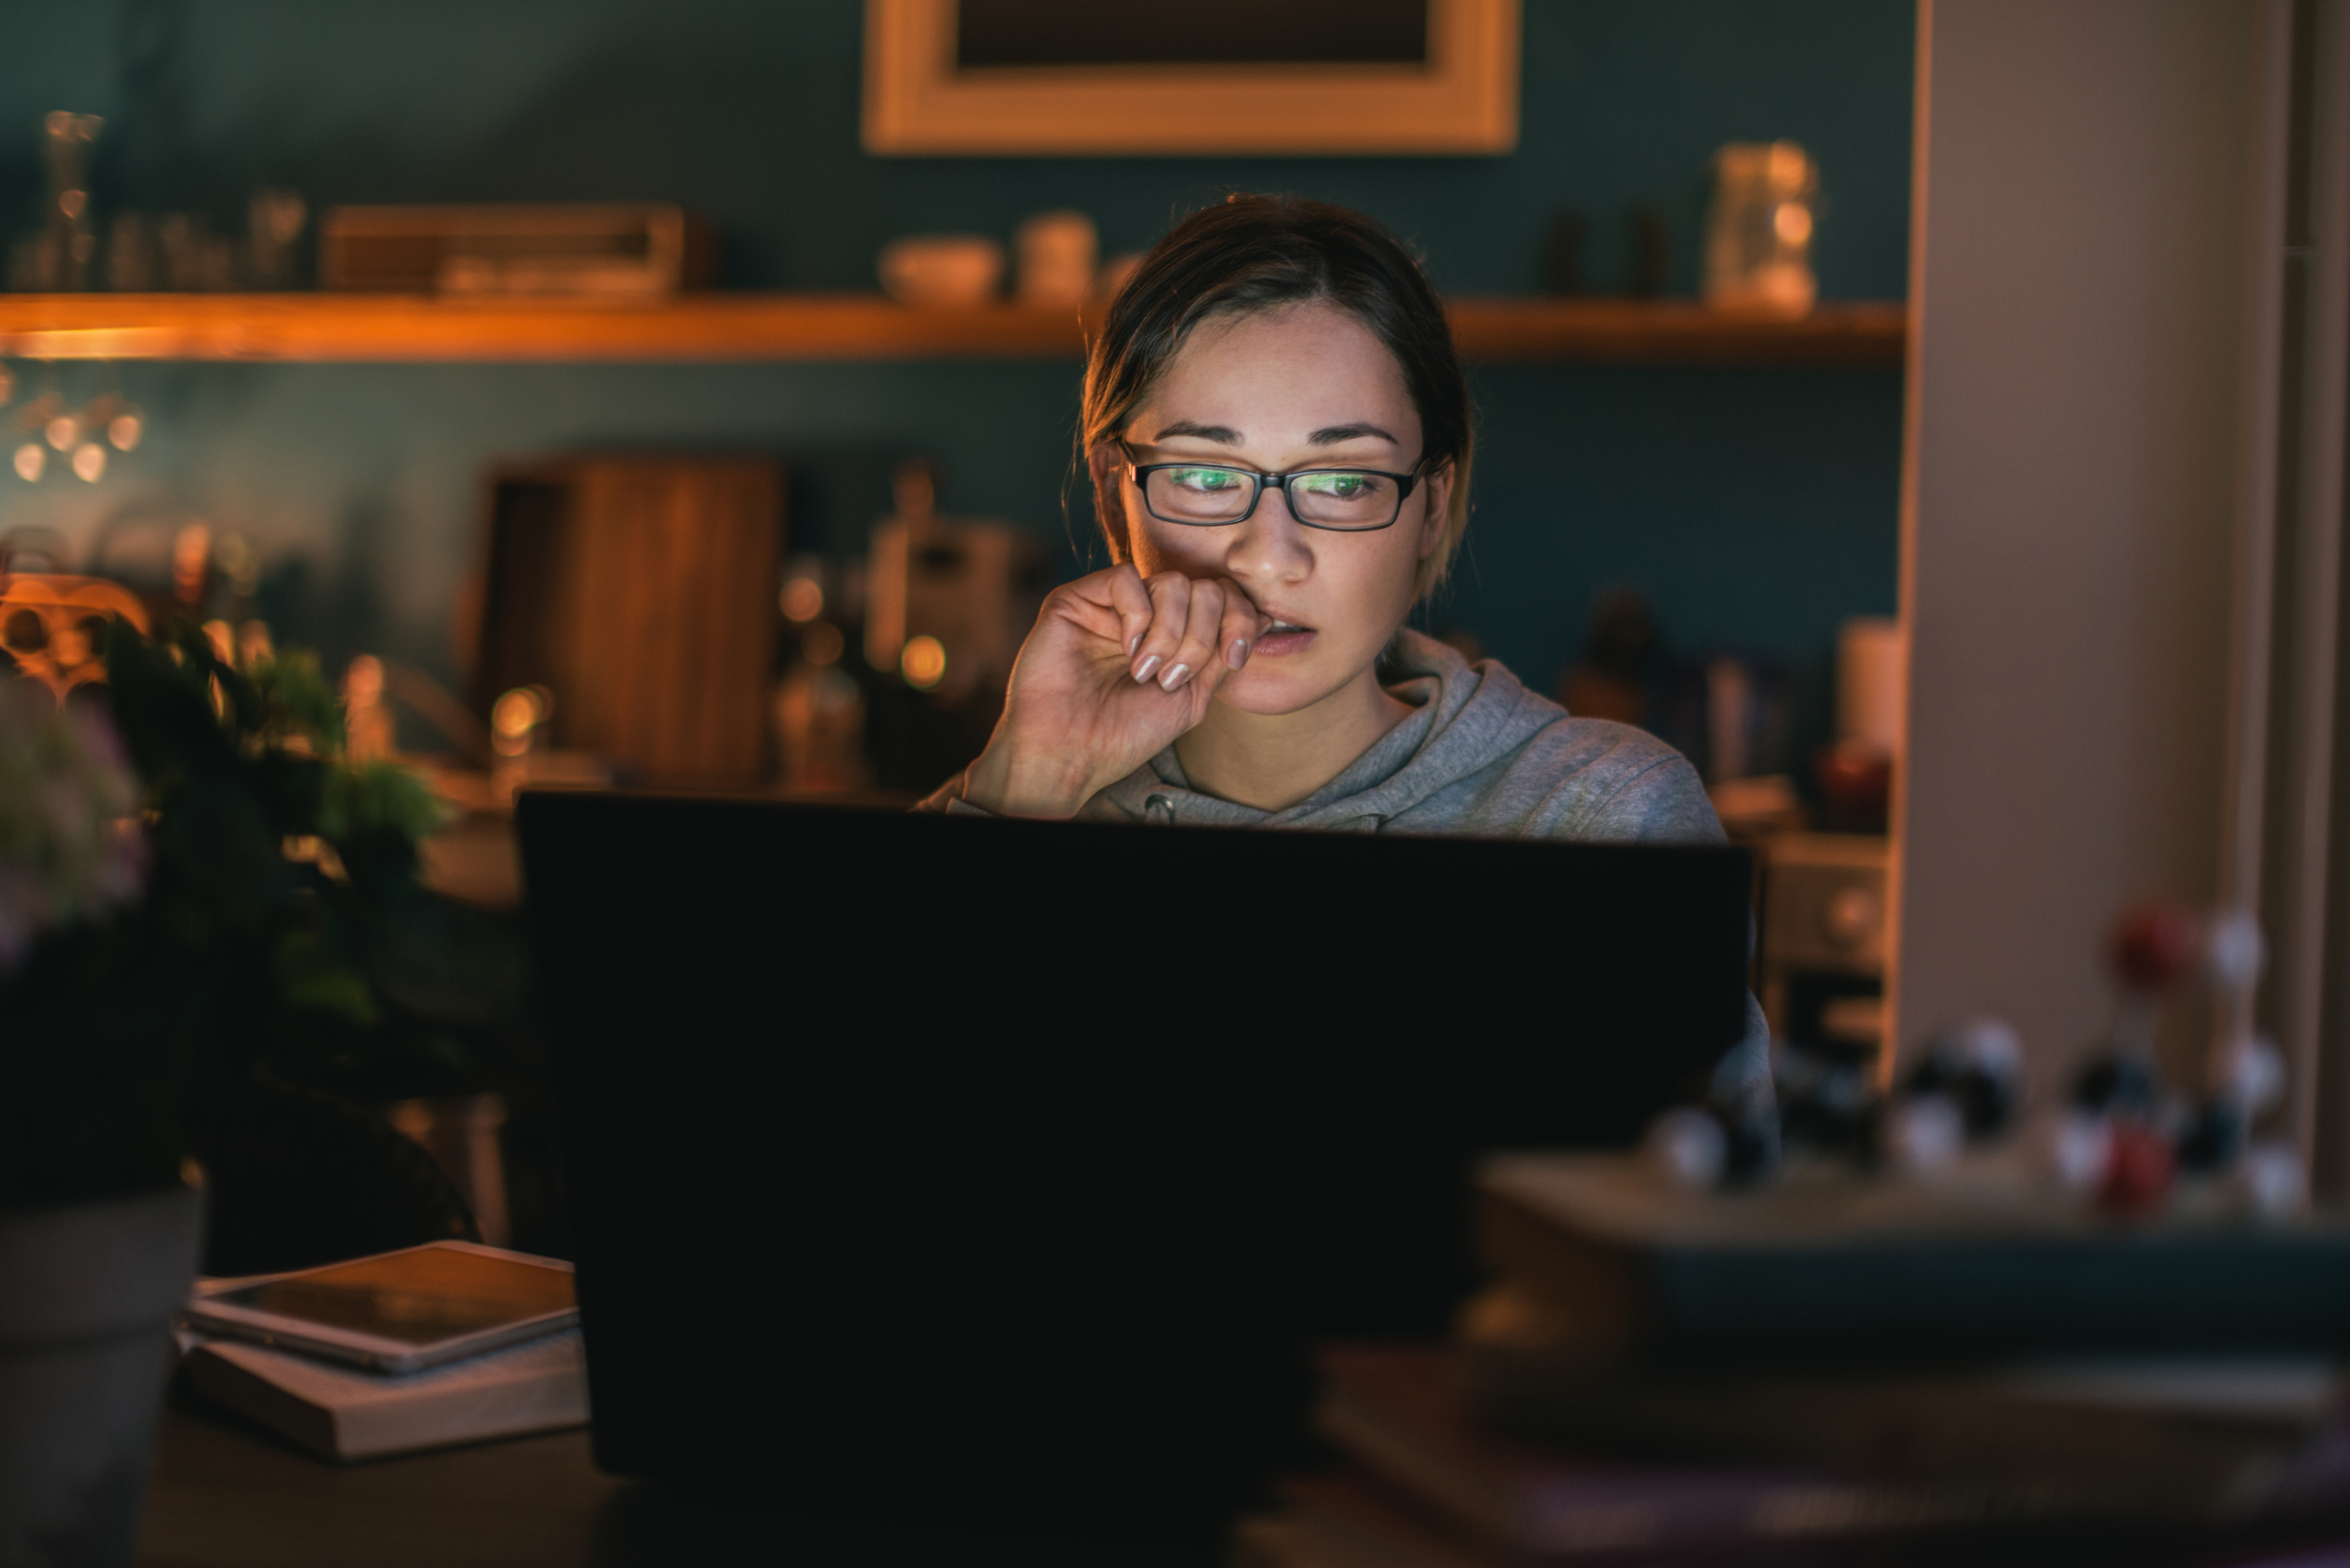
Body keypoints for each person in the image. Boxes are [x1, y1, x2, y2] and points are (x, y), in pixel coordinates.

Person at [921, 194, 1768, 1109]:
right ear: (1109, 490)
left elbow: (1698, 1226)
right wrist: (1022, 790)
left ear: (1431, 507)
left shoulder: (1601, 820)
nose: (1268, 556)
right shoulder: (1018, 811)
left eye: (1343, 480)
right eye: (1207, 475)